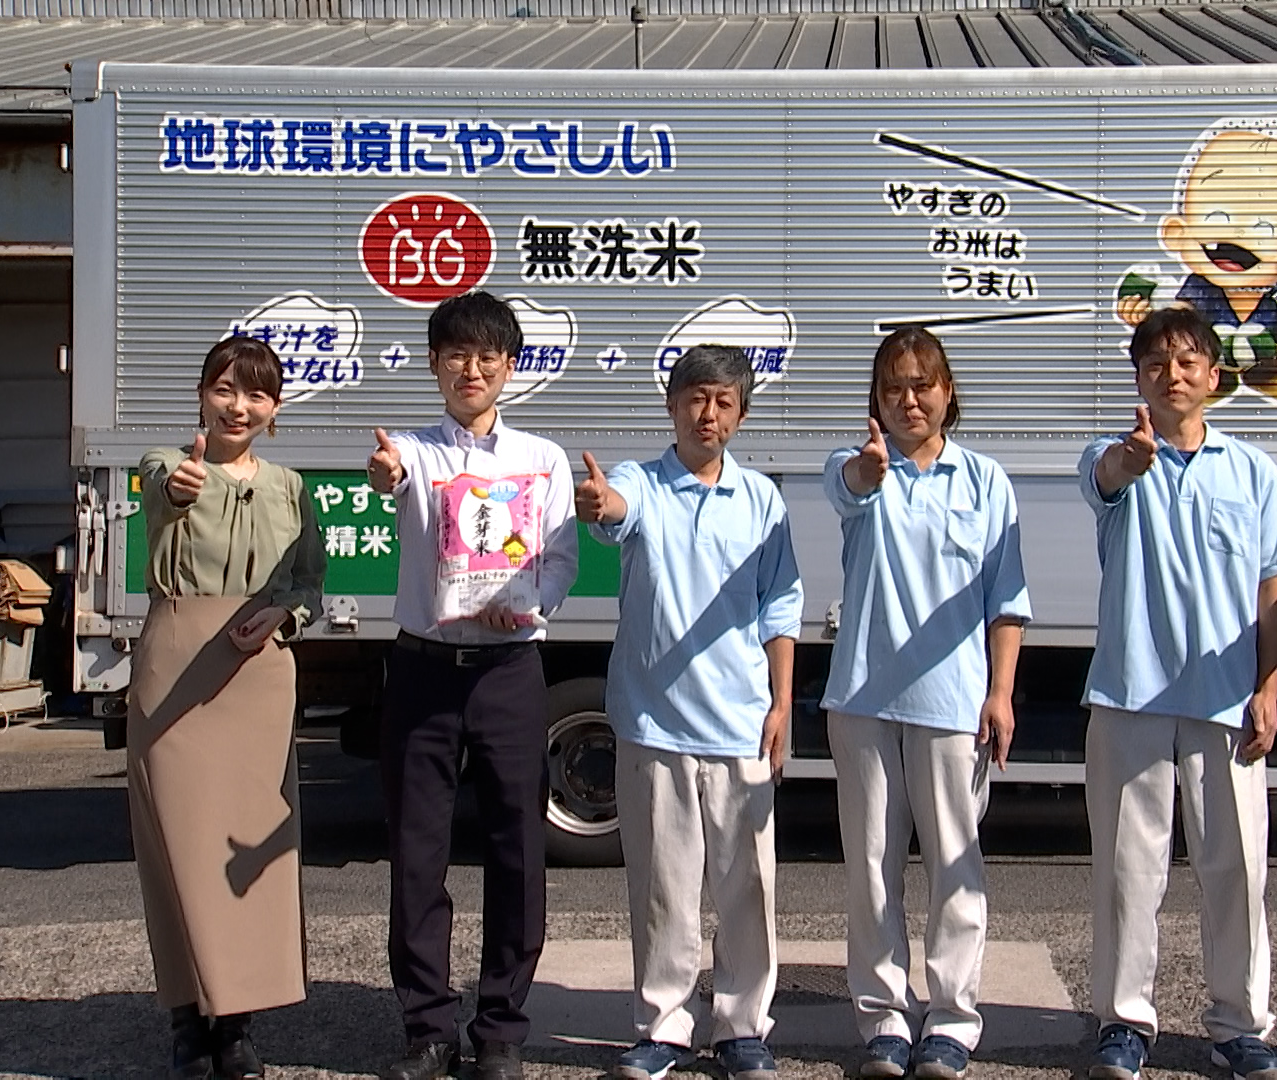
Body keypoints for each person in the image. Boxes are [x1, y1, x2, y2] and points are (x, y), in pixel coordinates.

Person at [1078, 307, 1277, 1080]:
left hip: (1226, 699)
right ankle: (1123, 1021)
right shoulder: (1113, 457)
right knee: (1128, 872)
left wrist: (1269, 684)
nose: (1171, 374)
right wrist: (1130, 460)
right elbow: (1107, 479)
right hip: (1130, 694)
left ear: (1213, 375)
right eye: (1155, 364)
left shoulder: (1252, 470)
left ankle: (1240, 1026)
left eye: (1186, 361)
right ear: (1138, 379)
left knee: (1237, 869)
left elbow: (1272, 585)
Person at [573, 344, 803, 1080]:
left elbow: (781, 608)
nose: (709, 414)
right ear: (671, 405)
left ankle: (743, 1027)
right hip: (655, 722)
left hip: (741, 721)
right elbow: (614, 513)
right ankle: (662, 1026)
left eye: (724, 401)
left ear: (741, 413)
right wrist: (599, 504)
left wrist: (782, 703)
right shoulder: (641, 482)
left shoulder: (762, 499)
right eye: (696, 398)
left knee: (748, 889)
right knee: (663, 890)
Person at [366, 290, 579, 1080]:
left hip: (509, 672)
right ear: (434, 363)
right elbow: (389, 479)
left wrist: (523, 603)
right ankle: (427, 1029)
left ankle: (500, 1033)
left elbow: (560, 560)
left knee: (517, 850)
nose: (472, 369)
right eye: (456, 354)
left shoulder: (542, 458)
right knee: (416, 854)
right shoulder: (413, 452)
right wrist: (386, 473)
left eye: (489, 355)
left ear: (511, 367)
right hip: (422, 669)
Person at [820, 327, 1030, 1080]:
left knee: (954, 865)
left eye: (922, 385)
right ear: (875, 401)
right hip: (864, 699)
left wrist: (1000, 692)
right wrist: (869, 471)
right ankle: (883, 1019)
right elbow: (848, 487)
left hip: (954, 702)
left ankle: (951, 1020)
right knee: (872, 868)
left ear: (948, 392)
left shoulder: (985, 480)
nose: (909, 400)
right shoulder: (856, 469)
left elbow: (1006, 600)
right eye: (893, 388)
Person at [129, 334, 326, 1080]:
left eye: (256, 394)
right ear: (202, 396)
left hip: (257, 671)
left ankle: (237, 1023)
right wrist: (186, 484)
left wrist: (282, 614)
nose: (238, 406)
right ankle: (188, 1019)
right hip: (176, 658)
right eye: (224, 388)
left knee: (247, 848)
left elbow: (309, 580)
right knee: (177, 847)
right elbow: (166, 494)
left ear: (275, 409)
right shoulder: (165, 463)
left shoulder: (290, 487)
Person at [1113, 117, 1277, 406]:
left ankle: (1268, 376)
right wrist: (1148, 318)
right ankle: (1219, 378)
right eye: (1217, 216)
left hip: (1272, 359)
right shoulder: (1201, 286)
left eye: (1264, 227)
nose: (1238, 233)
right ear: (1178, 232)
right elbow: (1179, 317)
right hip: (1216, 362)